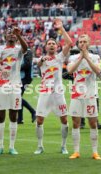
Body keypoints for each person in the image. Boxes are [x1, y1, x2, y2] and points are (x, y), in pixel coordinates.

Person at [34, 19, 72, 155]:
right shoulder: (42, 59)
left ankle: (63, 146)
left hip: (58, 93)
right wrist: (41, 60)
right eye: (49, 44)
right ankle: (40, 146)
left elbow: (70, 43)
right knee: (39, 120)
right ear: (45, 47)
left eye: (53, 44)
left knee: (64, 119)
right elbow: (38, 64)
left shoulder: (60, 57)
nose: (51, 45)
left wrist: (61, 28)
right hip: (44, 93)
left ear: (57, 47)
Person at [0, 27, 28, 155]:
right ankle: (0, 146)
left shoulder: (19, 49)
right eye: (9, 34)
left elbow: (25, 48)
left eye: (13, 34)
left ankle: (12, 146)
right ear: (5, 36)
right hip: (1, 85)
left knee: (14, 115)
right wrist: (2, 68)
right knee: (0, 115)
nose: (12, 35)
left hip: (15, 86)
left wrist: (19, 35)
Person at [67, 34, 101, 160]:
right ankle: (76, 151)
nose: (82, 44)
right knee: (75, 123)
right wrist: (80, 57)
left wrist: (87, 58)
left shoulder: (95, 57)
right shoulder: (73, 57)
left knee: (93, 123)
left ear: (89, 43)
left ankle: (95, 152)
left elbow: (98, 71)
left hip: (91, 94)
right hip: (77, 94)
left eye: (84, 41)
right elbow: (70, 71)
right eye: (80, 42)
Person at [17, 48, 36, 124]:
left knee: (17, 96)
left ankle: (33, 111)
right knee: (18, 97)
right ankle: (20, 119)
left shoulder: (28, 51)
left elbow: (27, 64)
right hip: (21, 77)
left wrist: (16, 67)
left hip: (25, 77)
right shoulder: (19, 51)